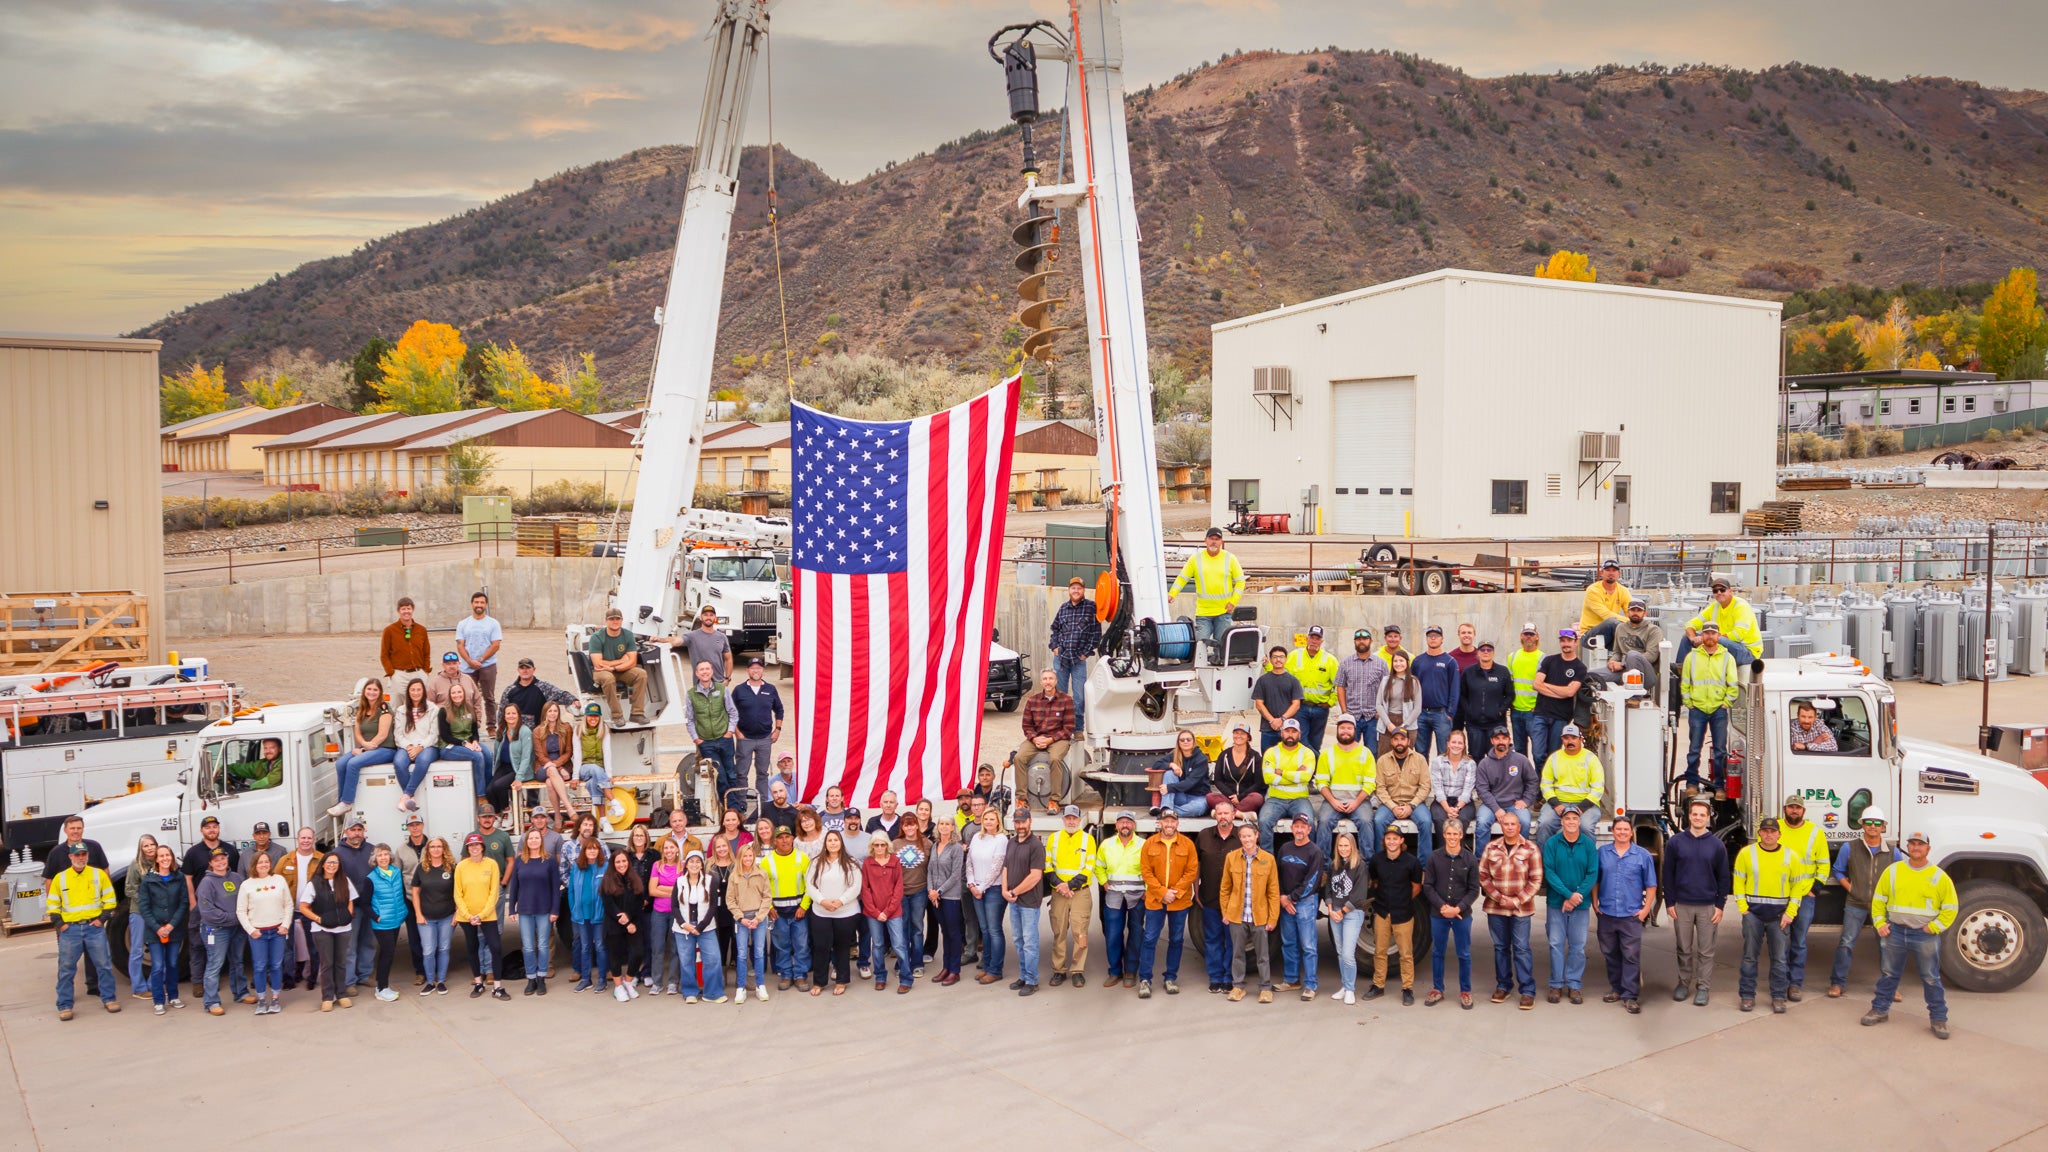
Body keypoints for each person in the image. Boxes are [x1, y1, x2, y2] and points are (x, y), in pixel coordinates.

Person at [1863, 830, 1958, 1039]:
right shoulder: (1893, 871)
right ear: (1908, 847)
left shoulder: (1939, 877)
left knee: (1931, 978)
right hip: (1895, 932)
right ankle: (1880, 1009)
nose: (1916, 848)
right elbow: (1879, 899)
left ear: (1928, 849)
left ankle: (1939, 1019)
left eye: (1920, 844)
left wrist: (1933, 928)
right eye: (1912, 844)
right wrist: (1879, 923)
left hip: (1924, 935)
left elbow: (1951, 907)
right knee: (1888, 974)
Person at [1734, 817, 1808, 1014]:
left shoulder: (1791, 857)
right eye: (1765, 831)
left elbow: (1797, 888)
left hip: (1779, 917)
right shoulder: (1746, 854)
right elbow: (1738, 883)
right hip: (1753, 915)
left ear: (1779, 834)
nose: (1768, 834)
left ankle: (1778, 997)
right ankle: (1747, 996)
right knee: (1750, 957)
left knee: (1780, 960)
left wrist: (1790, 914)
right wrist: (1744, 909)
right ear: (1759, 833)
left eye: (1772, 831)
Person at [1662, 795, 1731, 1006]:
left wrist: (1720, 906)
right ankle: (1683, 983)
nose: (1698, 818)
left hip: (1707, 906)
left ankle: (1703, 987)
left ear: (1708, 817)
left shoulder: (1717, 845)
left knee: (1706, 950)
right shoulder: (1676, 842)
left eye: (1702, 815)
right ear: (1689, 816)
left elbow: (1724, 877)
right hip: (1682, 905)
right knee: (1683, 948)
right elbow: (1668, 874)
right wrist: (1670, 902)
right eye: (1695, 814)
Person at [1828, 807, 1902, 999]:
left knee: (1887, 945)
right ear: (1862, 825)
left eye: (1877, 823)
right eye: (1868, 822)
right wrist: (1851, 889)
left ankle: (1890, 987)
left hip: (1882, 908)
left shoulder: (1893, 853)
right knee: (1846, 943)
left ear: (1883, 827)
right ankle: (1837, 984)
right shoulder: (1849, 847)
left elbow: (1900, 877)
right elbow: (1838, 870)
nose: (1872, 826)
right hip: (1855, 903)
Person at [47, 840, 120, 1021]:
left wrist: (101, 920)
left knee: (103, 965)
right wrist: (61, 925)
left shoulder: (98, 875)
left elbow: (110, 900)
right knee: (66, 969)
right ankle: (64, 1005)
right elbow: (53, 905)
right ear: (70, 857)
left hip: (93, 928)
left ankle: (109, 999)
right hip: (69, 930)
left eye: (83, 855)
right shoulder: (60, 878)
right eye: (77, 855)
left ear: (87, 856)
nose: (81, 858)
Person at [1479, 809, 1543, 1009]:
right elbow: (1483, 876)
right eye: (1505, 824)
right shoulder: (1491, 848)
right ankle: (1503, 986)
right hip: (1495, 908)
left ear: (1519, 827)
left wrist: (1516, 901)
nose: (1509, 827)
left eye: (1513, 824)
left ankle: (1527, 990)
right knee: (1500, 947)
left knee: (1522, 948)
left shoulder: (1531, 849)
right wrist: (1499, 898)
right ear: (1501, 826)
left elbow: (1536, 880)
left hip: (1521, 909)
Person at [1595, 818, 1657, 1013]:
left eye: (1626, 829)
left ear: (1631, 833)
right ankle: (1616, 989)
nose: (1622, 832)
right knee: (1610, 954)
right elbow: (1595, 880)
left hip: (1631, 914)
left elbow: (1651, 885)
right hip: (1607, 913)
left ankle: (1630, 995)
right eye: (1618, 829)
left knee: (1631, 956)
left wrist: (1646, 909)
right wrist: (1595, 903)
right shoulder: (1602, 853)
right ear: (1612, 831)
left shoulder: (1642, 855)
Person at [1137, 808, 1198, 999]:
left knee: (1177, 940)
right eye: (1166, 821)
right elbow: (1146, 871)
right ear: (1160, 824)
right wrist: (1162, 893)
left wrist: (1176, 892)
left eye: (1173, 821)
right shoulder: (1149, 844)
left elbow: (1191, 871)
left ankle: (1170, 977)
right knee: (1149, 939)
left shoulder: (1187, 845)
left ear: (1177, 824)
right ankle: (1145, 979)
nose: (1169, 825)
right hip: (1156, 900)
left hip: (1179, 901)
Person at [179, 816, 242, 995]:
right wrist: (193, 902)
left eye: (215, 827)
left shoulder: (229, 850)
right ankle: (198, 982)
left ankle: (230, 984)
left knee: (227, 947)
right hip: (202, 906)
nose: (212, 830)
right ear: (202, 831)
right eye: (208, 827)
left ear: (219, 829)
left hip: (225, 905)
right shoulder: (193, 852)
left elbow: (234, 876)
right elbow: (188, 878)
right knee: (197, 944)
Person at [1777, 793, 1831, 1001]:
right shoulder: (1775, 829)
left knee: (1799, 941)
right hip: (1780, 897)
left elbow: (1824, 864)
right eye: (1790, 807)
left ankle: (1795, 984)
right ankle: (1780, 982)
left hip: (1804, 897)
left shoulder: (1814, 833)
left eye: (1797, 808)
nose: (1794, 811)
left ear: (1803, 811)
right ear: (1785, 810)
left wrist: (1814, 889)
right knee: (1780, 941)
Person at [1542, 806, 1598, 1005]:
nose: (1572, 822)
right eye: (1568, 818)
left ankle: (1574, 985)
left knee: (1578, 947)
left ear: (1579, 821)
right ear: (1562, 822)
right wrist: (1567, 895)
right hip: (1557, 903)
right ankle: (1556, 984)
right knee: (1555, 945)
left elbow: (1592, 873)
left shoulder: (1588, 845)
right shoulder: (1552, 843)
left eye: (1575, 818)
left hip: (1580, 906)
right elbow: (1549, 872)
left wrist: (1577, 896)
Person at [1423, 817, 1480, 1009]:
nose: (1452, 837)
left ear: (1462, 835)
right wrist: (1442, 907)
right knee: (1438, 952)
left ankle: (1465, 991)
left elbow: (1474, 890)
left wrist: (1458, 908)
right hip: (1438, 914)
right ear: (1444, 835)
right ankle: (1438, 989)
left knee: (1464, 953)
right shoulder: (1434, 857)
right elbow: (1428, 886)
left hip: (1462, 915)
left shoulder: (1470, 859)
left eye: (1456, 834)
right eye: (1449, 834)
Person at [1220, 822, 1278, 1003]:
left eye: (1249, 836)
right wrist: (1226, 912)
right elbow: (1225, 889)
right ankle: (1238, 987)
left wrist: (1273, 917)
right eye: (1243, 836)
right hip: (1237, 915)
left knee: (1262, 955)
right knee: (1237, 954)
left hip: (1259, 916)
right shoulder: (1232, 858)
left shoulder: (1268, 859)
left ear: (1257, 836)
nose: (1247, 839)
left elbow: (1273, 891)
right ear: (1240, 839)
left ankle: (1265, 988)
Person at [1366, 823, 1424, 1004]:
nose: (1391, 842)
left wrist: (1403, 900)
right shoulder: (1377, 860)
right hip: (1382, 912)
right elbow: (1374, 882)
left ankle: (1407, 988)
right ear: (1385, 840)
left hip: (1403, 913)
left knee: (1406, 953)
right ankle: (1378, 985)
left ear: (1401, 841)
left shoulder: (1411, 862)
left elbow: (1416, 887)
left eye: (1395, 838)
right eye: (1388, 838)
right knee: (1380, 951)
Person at [1680, 622, 1740, 794]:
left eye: (1713, 633)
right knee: (1694, 749)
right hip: (1697, 709)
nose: (1710, 636)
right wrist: (1688, 703)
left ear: (1718, 636)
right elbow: (1685, 682)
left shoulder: (1727, 658)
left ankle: (1719, 786)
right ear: (1702, 636)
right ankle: (1692, 783)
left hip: (1718, 710)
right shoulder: (1691, 657)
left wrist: (1726, 703)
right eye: (1706, 633)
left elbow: (1733, 684)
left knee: (1720, 750)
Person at [1041, 805, 1095, 988]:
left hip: (1080, 892)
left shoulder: (1088, 840)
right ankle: (1059, 970)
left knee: (1080, 933)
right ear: (1063, 819)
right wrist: (1061, 886)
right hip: (1059, 892)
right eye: (1068, 818)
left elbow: (1088, 868)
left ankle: (1077, 971)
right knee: (1059, 931)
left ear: (1080, 820)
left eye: (1074, 818)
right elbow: (1047, 866)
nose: (1071, 821)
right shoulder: (1053, 839)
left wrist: (1069, 886)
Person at [1170, 527, 1246, 653]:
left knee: (1222, 647)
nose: (1214, 542)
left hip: (1224, 613)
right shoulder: (1196, 559)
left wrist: (1233, 602)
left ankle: (1220, 670)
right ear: (1205, 540)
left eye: (1217, 539)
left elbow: (1240, 581)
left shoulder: (1230, 558)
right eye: (1211, 539)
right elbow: (1182, 578)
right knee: (1200, 647)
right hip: (1204, 613)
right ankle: (1199, 672)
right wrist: (1172, 594)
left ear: (1221, 542)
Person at [235, 851, 292, 1015]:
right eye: (260, 862)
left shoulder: (279, 880)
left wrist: (285, 925)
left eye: (266, 861)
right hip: (258, 934)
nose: (264, 865)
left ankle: (275, 998)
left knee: (275, 965)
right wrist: (251, 930)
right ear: (254, 865)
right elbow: (240, 911)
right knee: (259, 967)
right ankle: (261, 1000)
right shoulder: (247, 884)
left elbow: (288, 904)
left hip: (277, 932)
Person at [298, 852, 356, 1012]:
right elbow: (303, 907)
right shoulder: (314, 883)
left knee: (341, 963)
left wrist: (348, 915)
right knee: (327, 964)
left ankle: (342, 994)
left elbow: (351, 901)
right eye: (329, 862)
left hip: (344, 929)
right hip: (322, 930)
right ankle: (327, 997)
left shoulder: (345, 881)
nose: (332, 865)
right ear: (323, 864)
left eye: (335, 863)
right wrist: (318, 919)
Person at [807, 829, 863, 996]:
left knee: (842, 947)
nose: (832, 843)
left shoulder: (851, 862)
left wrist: (841, 901)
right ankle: (819, 982)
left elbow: (856, 886)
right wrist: (822, 901)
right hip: (821, 912)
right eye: (829, 840)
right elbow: (810, 885)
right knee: (821, 947)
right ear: (825, 843)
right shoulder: (816, 862)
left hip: (845, 912)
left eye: (836, 840)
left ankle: (841, 980)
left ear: (841, 843)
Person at [194, 848, 250, 1015]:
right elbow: (208, 912)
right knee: (215, 964)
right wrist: (235, 917)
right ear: (210, 863)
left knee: (237, 961)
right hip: (216, 930)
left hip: (237, 929)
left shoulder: (237, 878)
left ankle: (241, 993)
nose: (220, 862)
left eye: (223, 858)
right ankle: (211, 1002)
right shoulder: (206, 883)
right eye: (216, 860)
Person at [455, 832, 510, 1001]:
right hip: (467, 917)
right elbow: (458, 894)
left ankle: (497, 987)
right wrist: (468, 915)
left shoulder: (491, 864)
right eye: (471, 845)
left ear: (482, 847)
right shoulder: (461, 867)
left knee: (495, 947)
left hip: (487, 915)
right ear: (467, 848)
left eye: (477, 845)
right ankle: (479, 982)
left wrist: (481, 914)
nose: (474, 848)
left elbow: (494, 892)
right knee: (472, 948)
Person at [1313, 713, 1376, 858]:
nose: (1345, 731)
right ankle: (1323, 867)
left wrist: (1356, 802)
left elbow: (1370, 783)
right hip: (1333, 801)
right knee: (1323, 821)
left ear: (1355, 730)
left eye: (1349, 728)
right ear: (1337, 730)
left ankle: (1367, 866)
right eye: (1342, 728)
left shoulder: (1365, 753)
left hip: (1359, 801)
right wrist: (1333, 801)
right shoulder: (1327, 754)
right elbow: (1321, 782)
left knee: (1366, 822)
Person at [1096, 810, 1147, 988]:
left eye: (1128, 822)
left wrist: (1147, 890)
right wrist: (1104, 883)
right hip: (1114, 895)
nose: (1125, 825)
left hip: (1137, 896)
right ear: (1116, 825)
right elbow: (1099, 866)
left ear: (1134, 825)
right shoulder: (1106, 845)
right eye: (1122, 822)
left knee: (1136, 934)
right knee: (1113, 934)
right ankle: (1115, 971)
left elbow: (1150, 869)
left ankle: (1131, 971)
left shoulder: (1143, 845)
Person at [999, 805, 1046, 996]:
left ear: (1030, 822)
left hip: (1028, 903)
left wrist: (1015, 891)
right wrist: (1004, 890)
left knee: (1030, 942)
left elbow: (1035, 876)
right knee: (1018, 940)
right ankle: (1024, 975)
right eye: (1017, 822)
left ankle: (1032, 980)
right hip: (1014, 901)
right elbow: (1006, 868)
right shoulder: (1011, 842)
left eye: (1023, 822)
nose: (1020, 826)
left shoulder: (1036, 845)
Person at [1015, 668, 1076, 813]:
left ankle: (1054, 801)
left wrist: (1050, 740)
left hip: (1058, 739)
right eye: (1045, 679)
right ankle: (1022, 799)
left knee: (1054, 759)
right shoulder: (1032, 700)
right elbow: (1026, 726)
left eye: (1050, 679)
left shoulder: (1066, 700)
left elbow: (1069, 728)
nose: (1048, 682)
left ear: (1056, 681)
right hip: (1036, 738)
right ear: (1041, 682)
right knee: (1018, 758)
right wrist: (1035, 738)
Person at [1372, 727, 1435, 865]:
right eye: (1396, 739)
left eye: (1402, 739)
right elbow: (1380, 788)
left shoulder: (1420, 759)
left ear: (1408, 741)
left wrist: (1411, 806)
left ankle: (1424, 868)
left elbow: (1425, 787)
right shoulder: (1383, 760)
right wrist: (1393, 807)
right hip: (1390, 803)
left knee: (1425, 822)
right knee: (1378, 821)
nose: (1399, 742)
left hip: (1414, 803)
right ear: (1391, 742)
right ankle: (1379, 864)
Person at [330, 678, 394, 816]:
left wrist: (364, 750)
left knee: (353, 763)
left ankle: (347, 801)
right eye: (369, 689)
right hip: (366, 747)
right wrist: (363, 745)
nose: (371, 692)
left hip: (385, 749)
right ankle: (342, 801)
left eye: (375, 690)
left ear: (380, 692)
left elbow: (382, 735)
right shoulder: (361, 708)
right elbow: (357, 732)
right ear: (364, 691)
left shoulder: (384, 708)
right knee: (341, 763)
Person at [1323, 821, 1371, 1004]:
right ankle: (1344, 986)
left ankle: (1350, 989)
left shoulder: (1360, 866)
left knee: (1349, 954)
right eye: (1341, 846)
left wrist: (1341, 912)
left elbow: (1359, 895)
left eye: (1346, 846)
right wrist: (1330, 909)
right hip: (1334, 912)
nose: (1343, 849)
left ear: (1353, 846)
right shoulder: (1334, 865)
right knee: (1340, 952)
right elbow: (1328, 888)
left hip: (1351, 913)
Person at [1675, 574, 1760, 673]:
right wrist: (1693, 638)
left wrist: (1708, 639)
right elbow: (1691, 624)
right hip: (1723, 644)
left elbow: (1738, 635)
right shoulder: (1715, 606)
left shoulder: (1741, 606)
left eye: (1722, 590)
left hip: (1746, 652)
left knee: (1717, 639)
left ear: (1730, 591)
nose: (1719, 592)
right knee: (1686, 638)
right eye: (1715, 591)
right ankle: (1680, 673)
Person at [672, 849, 727, 1003]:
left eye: (698, 861)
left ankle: (713, 993)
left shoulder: (711, 880)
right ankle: (690, 992)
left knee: (713, 959)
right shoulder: (679, 881)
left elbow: (713, 906)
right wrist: (684, 924)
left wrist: (700, 927)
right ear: (686, 864)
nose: (694, 864)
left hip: (706, 927)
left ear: (702, 864)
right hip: (683, 928)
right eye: (691, 861)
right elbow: (674, 906)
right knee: (686, 961)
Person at [139, 844, 188, 1013]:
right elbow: (144, 907)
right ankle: (158, 1000)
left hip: (174, 930)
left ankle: (173, 996)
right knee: (158, 966)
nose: (165, 858)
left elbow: (183, 903)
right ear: (156, 859)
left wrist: (171, 925)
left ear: (172, 857)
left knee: (173, 964)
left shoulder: (179, 877)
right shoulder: (148, 880)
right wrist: (158, 928)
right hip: (155, 932)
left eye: (168, 855)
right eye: (161, 856)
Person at [860, 831, 911, 993]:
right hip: (873, 912)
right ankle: (880, 976)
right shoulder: (868, 863)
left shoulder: (895, 861)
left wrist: (888, 911)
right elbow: (865, 889)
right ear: (872, 846)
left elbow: (898, 888)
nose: (880, 847)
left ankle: (906, 978)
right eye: (876, 845)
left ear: (887, 845)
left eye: (883, 844)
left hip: (893, 912)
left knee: (899, 945)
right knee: (878, 945)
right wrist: (875, 912)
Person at [327, 819, 375, 992]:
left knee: (368, 942)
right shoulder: (337, 853)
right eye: (353, 830)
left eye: (359, 829)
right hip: (350, 907)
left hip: (369, 905)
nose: (356, 833)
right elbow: (332, 881)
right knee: (349, 946)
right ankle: (349, 981)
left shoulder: (372, 850)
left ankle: (365, 974)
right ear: (346, 832)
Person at [1530, 629, 1588, 772]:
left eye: (1569, 640)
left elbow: (1570, 692)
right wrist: (1561, 691)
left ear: (1575, 643)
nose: (1565, 644)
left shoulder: (1580, 668)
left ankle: (1547, 788)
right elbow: (1536, 684)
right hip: (1541, 714)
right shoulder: (1549, 660)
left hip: (1561, 717)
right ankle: (1540, 784)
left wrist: (1547, 685)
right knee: (1537, 754)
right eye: (1563, 640)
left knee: (1553, 755)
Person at [510, 829, 559, 996]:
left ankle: (541, 978)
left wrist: (555, 910)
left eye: (536, 838)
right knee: (528, 947)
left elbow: (555, 888)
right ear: (526, 841)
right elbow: (514, 886)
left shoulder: (549, 861)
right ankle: (531, 978)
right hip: (525, 910)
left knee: (543, 945)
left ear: (541, 841)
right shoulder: (519, 861)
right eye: (530, 838)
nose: (533, 840)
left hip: (544, 910)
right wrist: (512, 909)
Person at [762, 827, 812, 990]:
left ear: (793, 839)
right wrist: (769, 907)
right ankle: (785, 974)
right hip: (778, 913)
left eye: (787, 837)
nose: (784, 840)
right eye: (780, 837)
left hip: (799, 911)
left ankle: (800, 975)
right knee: (781, 945)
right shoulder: (766, 861)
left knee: (801, 945)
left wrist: (804, 906)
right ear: (774, 841)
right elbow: (762, 888)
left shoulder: (803, 858)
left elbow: (810, 885)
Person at [1537, 724, 1604, 844]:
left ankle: (1588, 860)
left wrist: (1581, 808)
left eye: (1573, 738)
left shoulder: (1591, 758)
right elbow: (1545, 784)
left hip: (1585, 805)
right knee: (1544, 824)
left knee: (1586, 827)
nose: (1570, 741)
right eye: (1566, 738)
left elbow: (1598, 788)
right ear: (1562, 740)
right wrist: (1556, 804)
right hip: (1558, 803)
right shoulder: (1554, 758)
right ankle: (1544, 861)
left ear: (1580, 739)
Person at [726, 657, 783, 797]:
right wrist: (737, 732)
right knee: (741, 773)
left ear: (763, 670)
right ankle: (742, 806)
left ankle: (763, 805)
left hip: (765, 739)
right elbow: (730, 712)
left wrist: (777, 730)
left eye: (758, 668)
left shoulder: (770, 689)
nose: (755, 671)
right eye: (752, 668)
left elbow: (779, 709)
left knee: (763, 773)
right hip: (745, 739)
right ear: (747, 671)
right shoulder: (739, 690)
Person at [1258, 717, 1317, 850]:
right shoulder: (1271, 752)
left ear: (1299, 734)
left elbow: (1306, 777)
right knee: (1264, 822)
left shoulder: (1307, 753)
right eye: (1287, 731)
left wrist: (1281, 772)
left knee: (1310, 824)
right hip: (1275, 799)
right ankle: (1268, 864)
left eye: (1294, 731)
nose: (1290, 735)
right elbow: (1268, 778)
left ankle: (1307, 859)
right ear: (1281, 733)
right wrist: (1295, 774)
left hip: (1299, 799)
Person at [1048, 575, 1099, 728]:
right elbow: (1055, 629)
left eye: (1079, 588)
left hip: (1078, 659)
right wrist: (1054, 647)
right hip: (1061, 659)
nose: (1076, 591)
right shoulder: (1063, 608)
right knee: (1060, 695)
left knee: (1079, 697)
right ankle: (1061, 726)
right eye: (1073, 588)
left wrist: (1086, 652)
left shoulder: (1091, 607)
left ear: (1083, 590)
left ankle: (1077, 728)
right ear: (1069, 590)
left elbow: (1096, 633)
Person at [966, 809, 1010, 984]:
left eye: (992, 819)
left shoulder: (1001, 840)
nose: (989, 822)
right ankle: (986, 966)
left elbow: (996, 867)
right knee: (984, 930)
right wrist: (971, 883)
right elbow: (969, 861)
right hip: (976, 887)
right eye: (986, 818)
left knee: (994, 930)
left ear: (998, 821)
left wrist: (982, 887)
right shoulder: (977, 837)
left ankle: (995, 970)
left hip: (993, 890)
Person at [725, 840, 773, 1001]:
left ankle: (760, 985)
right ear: (740, 857)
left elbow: (767, 897)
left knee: (759, 952)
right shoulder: (734, 876)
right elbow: (730, 900)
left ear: (754, 857)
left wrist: (759, 917)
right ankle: (741, 987)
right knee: (741, 954)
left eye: (750, 855)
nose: (747, 858)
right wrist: (740, 917)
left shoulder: (761, 874)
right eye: (744, 856)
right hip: (742, 919)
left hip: (759, 918)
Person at [278, 828, 324, 992]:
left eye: (309, 838)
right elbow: (276, 883)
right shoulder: (286, 860)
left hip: (311, 910)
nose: (306, 841)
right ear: (297, 839)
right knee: (288, 946)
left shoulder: (321, 859)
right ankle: (288, 978)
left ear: (314, 839)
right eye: (303, 837)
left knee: (313, 945)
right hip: (289, 910)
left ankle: (312, 977)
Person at [600, 848, 648, 1001]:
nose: (621, 864)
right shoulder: (607, 880)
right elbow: (608, 904)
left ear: (628, 862)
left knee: (638, 953)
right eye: (618, 862)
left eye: (624, 861)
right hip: (614, 923)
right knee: (615, 956)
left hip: (633, 922)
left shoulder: (635, 879)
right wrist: (624, 920)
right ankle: (618, 987)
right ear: (613, 864)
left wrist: (631, 921)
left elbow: (639, 902)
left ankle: (628, 982)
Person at [587, 607, 648, 725]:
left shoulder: (628, 635)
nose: (615, 621)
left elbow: (632, 661)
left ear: (622, 620)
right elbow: (598, 663)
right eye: (611, 619)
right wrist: (621, 660)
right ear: (606, 621)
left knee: (641, 674)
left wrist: (614, 667)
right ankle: (617, 715)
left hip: (620, 670)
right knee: (608, 678)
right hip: (601, 671)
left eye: (617, 619)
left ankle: (637, 713)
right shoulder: (597, 637)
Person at [388, 676, 441, 813]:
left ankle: (406, 795)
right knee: (399, 762)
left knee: (423, 761)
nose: (416, 693)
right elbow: (398, 735)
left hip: (428, 746)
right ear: (408, 692)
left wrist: (420, 747)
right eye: (413, 690)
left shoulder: (432, 709)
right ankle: (411, 798)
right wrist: (409, 747)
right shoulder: (401, 710)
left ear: (423, 691)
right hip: (407, 746)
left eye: (419, 689)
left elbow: (434, 734)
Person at [1411, 625, 1462, 760]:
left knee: (1444, 753)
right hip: (1420, 714)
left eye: (1436, 636)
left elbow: (1455, 689)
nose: (1433, 638)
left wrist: (1450, 713)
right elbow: (1412, 687)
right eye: (1430, 636)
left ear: (1442, 639)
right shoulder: (1418, 661)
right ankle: (1423, 781)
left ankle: (1442, 781)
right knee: (1420, 753)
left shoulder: (1450, 661)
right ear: (1427, 639)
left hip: (1441, 714)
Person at [1286, 625, 1340, 753]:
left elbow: (1339, 684)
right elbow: (1282, 675)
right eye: (1312, 637)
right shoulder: (1294, 656)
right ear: (1307, 638)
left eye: (1317, 638)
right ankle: (1320, 760)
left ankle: (1312, 771)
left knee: (1315, 743)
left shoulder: (1330, 660)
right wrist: (1267, 666)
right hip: (1300, 707)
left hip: (1320, 709)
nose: (1314, 641)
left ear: (1321, 641)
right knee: (1301, 741)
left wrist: (1330, 702)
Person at [364, 844, 408, 1002]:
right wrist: (376, 917)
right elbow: (365, 903)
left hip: (396, 920)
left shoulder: (396, 872)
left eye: (385, 854)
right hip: (382, 923)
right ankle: (382, 988)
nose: (383, 857)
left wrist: (403, 912)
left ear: (390, 856)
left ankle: (382, 986)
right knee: (387, 953)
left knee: (389, 953)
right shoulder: (371, 878)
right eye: (379, 855)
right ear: (374, 859)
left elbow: (401, 893)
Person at [564, 836, 608, 992]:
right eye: (589, 848)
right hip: (581, 915)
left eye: (595, 848)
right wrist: (574, 908)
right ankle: (586, 979)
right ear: (584, 850)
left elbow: (610, 891)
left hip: (599, 915)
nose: (592, 851)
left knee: (601, 946)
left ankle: (602, 979)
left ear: (599, 851)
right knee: (585, 947)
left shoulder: (605, 866)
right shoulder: (577, 867)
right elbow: (571, 891)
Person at [456, 590, 503, 731]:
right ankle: (470, 726)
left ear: (485, 605)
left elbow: (496, 645)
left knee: (489, 697)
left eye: (482, 602)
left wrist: (481, 659)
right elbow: (460, 645)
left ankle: (491, 727)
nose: (479, 605)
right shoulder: (463, 624)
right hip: (467, 667)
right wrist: (470, 661)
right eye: (476, 602)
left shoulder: (493, 623)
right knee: (467, 698)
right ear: (472, 604)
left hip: (487, 665)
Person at [438, 682, 493, 803]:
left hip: (468, 742)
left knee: (488, 754)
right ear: (450, 695)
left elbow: (474, 731)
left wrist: (475, 741)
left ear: (463, 693)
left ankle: (490, 790)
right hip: (449, 747)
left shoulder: (470, 708)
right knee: (477, 756)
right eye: (453, 692)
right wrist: (464, 743)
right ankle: (481, 795)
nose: (456, 695)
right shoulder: (444, 711)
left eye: (459, 692)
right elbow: (445, 736)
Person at [1457, 642, 1513, 759]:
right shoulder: (1469, 672)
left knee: (1497, 757)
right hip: (1474, 725)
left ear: (1493, 653)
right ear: (1478, 653)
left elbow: (1509, 695)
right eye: (1483, 650)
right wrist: (1469, 711)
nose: (1486, 652)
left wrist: (1500, 711)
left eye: (1489, 649)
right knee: (1476, 757)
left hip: (1496, 723)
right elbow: (1462, 695)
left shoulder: (1502, 671)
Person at [1335, 627, 1387, 751]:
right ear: (1354, 642)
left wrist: (1381, 710)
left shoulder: (1381, 663)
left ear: (1371, 641)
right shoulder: (1345, 663)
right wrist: (1344, 711)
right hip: (1352, 716)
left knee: (1373, 751)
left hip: (1373, 717)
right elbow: (1340, 686)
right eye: (1358, 639)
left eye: (1365, 639)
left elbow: (1386, 689)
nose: (1361, 641)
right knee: (1348, 750)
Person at [928, 818, 967, 985]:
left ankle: (954, 970)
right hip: (935, 897)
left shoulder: (956, 848)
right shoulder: (935, 846)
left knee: (953, 933)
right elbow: (929, 870)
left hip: (950, 897)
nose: (943, 826)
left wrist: (939, 891)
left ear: (952, 827)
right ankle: (945, 967)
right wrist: (931, 891)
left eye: (947, 824)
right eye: (941, 823)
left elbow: (955, 875)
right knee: (945, 932)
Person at [1591, 601, 1664, 688]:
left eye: (1639, 610)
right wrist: (1612, 662)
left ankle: (1635, 699)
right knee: (1590, 675)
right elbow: (1617, 652)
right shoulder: (1621, 628)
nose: (1635, 613)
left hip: (1645, 675)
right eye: (1632, 610)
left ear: (1644, 613)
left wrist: (1622, 664)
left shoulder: (1653, 630)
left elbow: (1651, 656)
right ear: (1628, 612)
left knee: (1632, 655)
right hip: (1623, 672)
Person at [121, 834, 158, 1000]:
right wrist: (145, 901)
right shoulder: (136, 865)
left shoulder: (160, 863)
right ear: (141, 849)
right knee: (136, 950)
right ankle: (139, 987)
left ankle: (153, 985)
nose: (150, 848)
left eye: (152, 844)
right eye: (146, 846)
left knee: (157, 949)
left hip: (158, 914)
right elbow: (129, 889)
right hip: (139, 913)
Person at [499, 657, 578, 734]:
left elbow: (561, 694)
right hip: (515, 735)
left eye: (528, 668)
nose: (525, 670)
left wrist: (574, 700)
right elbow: (501, 714)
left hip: (538, 734)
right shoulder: (509, 691)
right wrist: (502, 733)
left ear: (534, 669)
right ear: (518, 670)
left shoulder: (543, 687)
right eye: (522, 668)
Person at [659, 604, 734, 683]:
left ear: (715, 618)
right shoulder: (692, 636)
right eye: (705, 615)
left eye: (711, 615)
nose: (708, 617)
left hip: (719, 684)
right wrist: (660, 639)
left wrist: (727, 678)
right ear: (701, 618)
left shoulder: (722, 637)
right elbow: (676, 640)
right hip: (700, 685)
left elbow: (728, 659)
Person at [1252, 646, 1304, 755]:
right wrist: (1272, 720)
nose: (1278, 660)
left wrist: (1282, 720)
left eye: (1281, 657)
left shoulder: (1293, 681)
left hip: (1289, 730)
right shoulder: (1262, 680)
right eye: (1275, 657)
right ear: (1270, 659)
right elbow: (1259, 704)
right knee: (1267, 761)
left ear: (1286, 659)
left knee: (1289, 760)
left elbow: (1296, 704)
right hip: (1268, 729)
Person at [1429, 730, 1478, 846]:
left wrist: (1457, 808)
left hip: (1463, 803)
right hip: (1442, 801)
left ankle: (1457, 853)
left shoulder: (1470, 764)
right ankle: (1443, 853)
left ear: (1464, 745)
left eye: (1460, 743)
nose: (1456, 745)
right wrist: (1447, 809)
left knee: (1461, 820)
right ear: (1448, 743)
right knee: (1440, 819)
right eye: (1454, 742)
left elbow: (1467, 791)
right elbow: (1438, 788)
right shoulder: (1438, 762)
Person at [1206, 723, 1265, 814]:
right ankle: (1239, 814)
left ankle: (1226, 812)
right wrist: (1231, 796)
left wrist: (1240, 797)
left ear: (1248, 737)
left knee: (1257, 798)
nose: (1239, 736)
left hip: (1247, 798)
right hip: (1228, 798)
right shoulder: (1224, 755)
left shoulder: (1255, 756)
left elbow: (1258, 783)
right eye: (1236, 733)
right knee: (1210, 797)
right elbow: (1218, 780)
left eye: (1242, 733)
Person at [1505, 623, 1544, 758]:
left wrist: (1538, 707)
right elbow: (1509, 683)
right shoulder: (1513, 656)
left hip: (1534, 713)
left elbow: (1545, 686)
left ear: (1537, 637)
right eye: (1526, 634)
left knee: (1538, 753)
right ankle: (1522, 779)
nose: (1529, 637)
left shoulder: (1543, 658)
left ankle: (1539, 779)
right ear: (1521, 636)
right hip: (1516, 712)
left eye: (1531, 634)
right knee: (1520, 752)